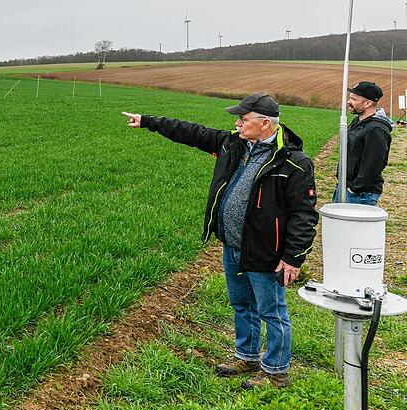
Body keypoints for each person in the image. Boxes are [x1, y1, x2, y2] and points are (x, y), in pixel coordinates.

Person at [122, 93, 318, 389]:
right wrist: (149, 122)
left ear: (265, 124)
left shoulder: (294, 162)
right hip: (232, 244)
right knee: (241, 303)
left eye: (243, 119)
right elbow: (192, 132)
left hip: (266, 250)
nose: (237, 123)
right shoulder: (234, 143)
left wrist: (293, 258)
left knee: (272, 311)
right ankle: (247, 356)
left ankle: (276, 372)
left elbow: (304, 214)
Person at [334, 81, 392, 206]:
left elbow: (374, 163)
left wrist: (355, 188)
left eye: (354, 99)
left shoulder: (376, 128)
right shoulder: (357, 121)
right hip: (345, 186)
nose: (349, 102)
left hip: (361, 194)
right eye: (350, 98)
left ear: (367, 103)